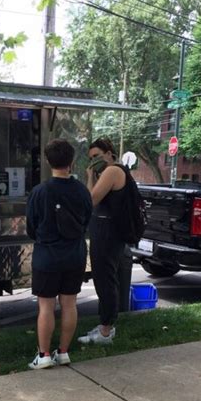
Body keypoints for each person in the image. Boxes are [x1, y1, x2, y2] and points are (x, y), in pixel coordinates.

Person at [26, 138, 92, 369]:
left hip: (47, 255)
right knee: (69, 304)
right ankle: (63, 352)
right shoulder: (82, 191)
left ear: (47, 161)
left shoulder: (39, 192)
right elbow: (87, 221)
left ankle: (43, 355)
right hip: (74, 254)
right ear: (71, 161)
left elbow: (31, 227)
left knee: (45, 306)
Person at [78, 137, 127, 345]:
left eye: (97, 156)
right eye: (91, 158)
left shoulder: (113, 171)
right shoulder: (112, 171)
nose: (94, 161)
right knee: (103, 279)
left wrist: (90, 177)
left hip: (108, 234)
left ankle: (106, 331)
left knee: (105, 280)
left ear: (109, 153)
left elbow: (91, 200)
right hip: (105, 232)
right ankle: (105, 326)